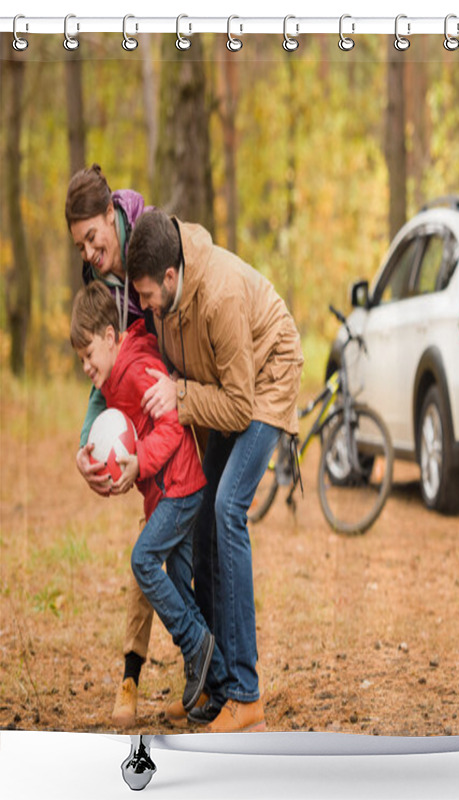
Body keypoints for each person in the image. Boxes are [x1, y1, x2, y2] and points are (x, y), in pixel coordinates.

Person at [127, 210, 303, 733]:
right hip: (226, 386)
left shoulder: (220, 294)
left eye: (150, 296)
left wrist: (180, 397)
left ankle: (246, 694)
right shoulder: (163, 294)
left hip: (267, 375)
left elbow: (237, 403)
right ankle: (214, 679)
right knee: (203, 515)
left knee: (228, 509)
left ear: (172, 276)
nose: (146, 307)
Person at [70, 281, 228, 724]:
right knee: (178, 579)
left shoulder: (136, 368)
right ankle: (210, 684)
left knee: (143, 562)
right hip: (163, 493)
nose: (85, 367)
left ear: (109, 336)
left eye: (88, 355)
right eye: (80, 359)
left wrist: (139, 464)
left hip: (181, 485)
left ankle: (195, 642)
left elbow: (173, 424)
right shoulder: (114, 379)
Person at [65, 165, 166, 727]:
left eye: (93, 237)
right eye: (80, 245)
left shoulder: (152, 237)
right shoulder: (100, 284)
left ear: (111, 215)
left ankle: (223, 682)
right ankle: (130, 679)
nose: (89, 250)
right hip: (143, 423)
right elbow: (100, 376)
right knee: (146, 552)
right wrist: (87, 444)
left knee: (192, 549)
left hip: (183, 404)